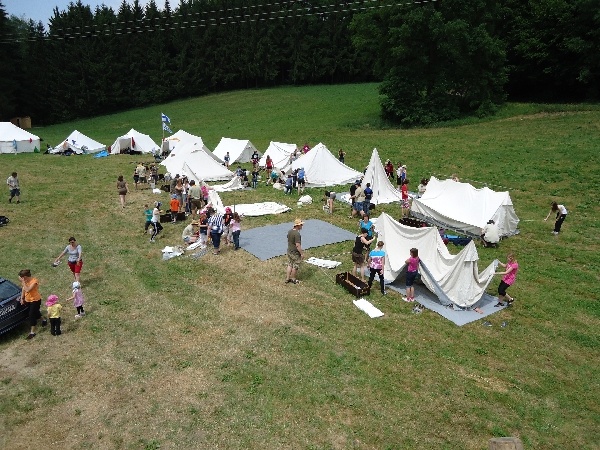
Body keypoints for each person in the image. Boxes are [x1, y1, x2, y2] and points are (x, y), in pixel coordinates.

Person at [19, 269, 47, 340]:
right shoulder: (25, 281)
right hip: (28, 300)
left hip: (35, 300)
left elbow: (28, 289)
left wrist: (23, 282)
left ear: (25, 277)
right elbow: (23, 289)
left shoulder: (34, 281)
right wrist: (22, 298)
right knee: (36, 312)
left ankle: (32, 332)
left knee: (31, 315)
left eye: (22, 277)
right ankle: (44, 320)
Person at [286, 218, 305, 284]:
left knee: (290, 264)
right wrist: (301, 253)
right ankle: (293, 279)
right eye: (301, 225)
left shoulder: (290, 231)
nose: (302, 226)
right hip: (295, 253)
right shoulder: (297, 234)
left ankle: (287, 278)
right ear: (298, 225)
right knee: (295, 266)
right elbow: (297, 245)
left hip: (289, 251)